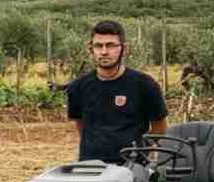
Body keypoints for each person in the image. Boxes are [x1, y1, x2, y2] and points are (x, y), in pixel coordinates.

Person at [67, 20, 168, 163]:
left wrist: (139, 152)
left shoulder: (145, 85)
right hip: (90, 168)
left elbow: (160, 129)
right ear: (90, 49)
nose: (104, 51)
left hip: (131, 170)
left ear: (124, 49)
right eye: (98, 46)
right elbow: (82, 127)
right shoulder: (78, 87)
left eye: (110, 45)